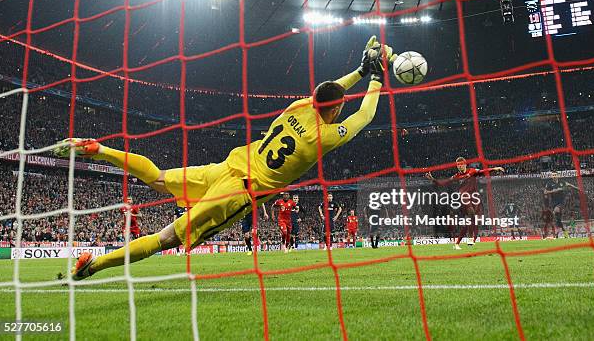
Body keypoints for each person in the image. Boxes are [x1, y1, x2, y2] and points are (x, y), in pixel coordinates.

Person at [55, 36, 393, 280]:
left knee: (157, 178)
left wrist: (361, 69)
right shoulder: (321, 138)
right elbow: (363, 115)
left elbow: (328, 92)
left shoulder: (299, 107)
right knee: (168, 237)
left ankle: (100, 149)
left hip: (227, 166)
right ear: (335, 108)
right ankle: (93, 266)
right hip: (239, 192)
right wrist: (377, 76)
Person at [426, 157, 504, 250]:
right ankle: (470, 238)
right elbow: (443, 182)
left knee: (468, 223)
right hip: (463, 197)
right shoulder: (456, 176)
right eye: (458, 165)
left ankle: (457, 244)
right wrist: (433, 179)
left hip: (473, 198)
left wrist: (494, 169)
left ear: (465, 164)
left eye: (461, 164)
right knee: (471, 213)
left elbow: (483, 171)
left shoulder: (472, 171)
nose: (460, 166)